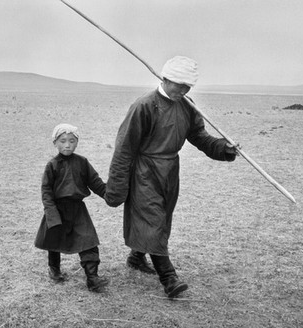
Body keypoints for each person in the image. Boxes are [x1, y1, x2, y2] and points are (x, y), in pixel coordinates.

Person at [104, 56, 238, 298]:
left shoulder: (188, 106)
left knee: (162, 218)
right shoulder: (144, 106)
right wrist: (116, 187)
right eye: (179, 84)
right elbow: (124, 149)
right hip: (144, 171)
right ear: (164, 78)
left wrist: (223, 148)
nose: (184, 90)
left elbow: (199, 136)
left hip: (169, 171)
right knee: (152, 218)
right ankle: (169, 278)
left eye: (188, 86)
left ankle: (136, 256)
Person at [34, 123, 109, 293]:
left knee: (88, 240)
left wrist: (109, 195)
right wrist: (51, 214)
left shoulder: (82, 162)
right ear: (55, 143)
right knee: (54, 241)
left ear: (77, 142)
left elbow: (95, 182)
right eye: (62, 141)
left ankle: (92, 278)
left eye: (72, 141)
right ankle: (54, 270)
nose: (67, 145)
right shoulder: (52, 165)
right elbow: (46, 191)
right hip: (57, 210)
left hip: (77, 209)